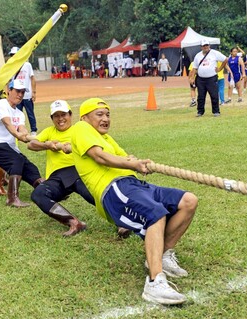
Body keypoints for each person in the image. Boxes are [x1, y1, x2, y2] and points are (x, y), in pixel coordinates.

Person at [71, 97, 198, 305]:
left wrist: (136, 162)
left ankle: (161, 255)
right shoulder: (80, 128)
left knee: (188, 201)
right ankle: (155, 282)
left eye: (108, 114)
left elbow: (126, 159)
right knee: (155, 213)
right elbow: (100, 157)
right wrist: (134, 165)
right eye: (100, 114)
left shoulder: (107, 139)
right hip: (113, 189)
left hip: (134, 184)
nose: (105, 119)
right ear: (85, 117)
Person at [28, 100, 95, 236]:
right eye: (56, 116)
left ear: (70, 115)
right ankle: (74, 223)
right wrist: (47, 145)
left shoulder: (78, 130)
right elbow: (31, 145)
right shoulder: (49, 132)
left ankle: (121, 221)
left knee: (92, 194)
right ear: (52, 119)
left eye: (63, 114)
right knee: (38, 194)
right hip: (57, 177)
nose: (60, 119)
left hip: (77, 171)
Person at [0, 78, 43, 207]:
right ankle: (12, 198)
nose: (20, 95)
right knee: (17, 161)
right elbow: (8, 124)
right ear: (8, 91)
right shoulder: (0, 105)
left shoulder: (19, 113)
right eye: (17, 91)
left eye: (22, 92)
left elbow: (23, 130)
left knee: (30, 167)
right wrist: (18, 135)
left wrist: (35, 138)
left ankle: (45, 189)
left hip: (10, 147)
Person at [189, 39, 228, 117]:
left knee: (214, 95)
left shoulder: (214, 53)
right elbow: (195, 68)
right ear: (201, 47)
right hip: (200, 79)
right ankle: (200, 112)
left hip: (211, 78)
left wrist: (220, 69)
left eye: (207, 45)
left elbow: (225, 59)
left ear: (209, 46)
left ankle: (216, 111)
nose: (205, 47)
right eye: (204, 46)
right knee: (201, 96)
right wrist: (192, 78)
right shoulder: (198, 55)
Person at [9, 46, 38, 136]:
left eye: (15, 54)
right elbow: (9, 81)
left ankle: (33, 130)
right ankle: (17, 131)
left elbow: (32, 78)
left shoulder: (27, 65)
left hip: (27, 94)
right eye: (12, 55)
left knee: (30, 113)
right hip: (16, 95)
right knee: (16, 113)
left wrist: (34, 92)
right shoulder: (11, 66)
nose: (14, 56)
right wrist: (8, 92)